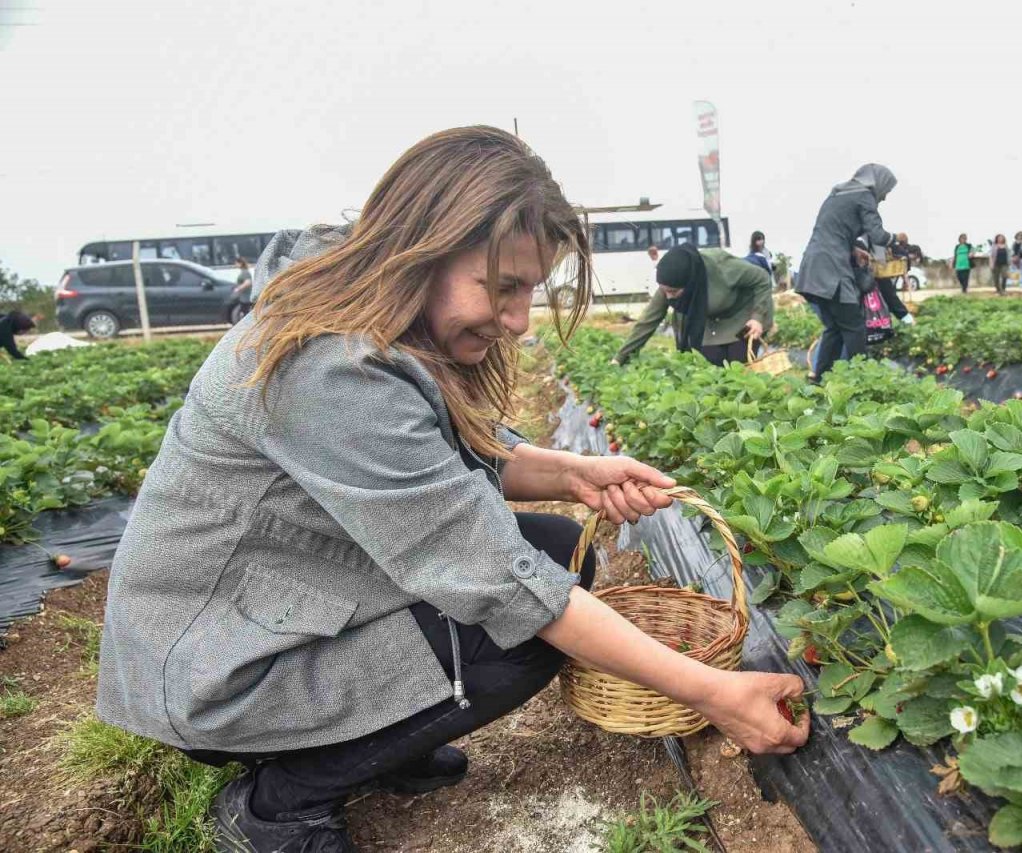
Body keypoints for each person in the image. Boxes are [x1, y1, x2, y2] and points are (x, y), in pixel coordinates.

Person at [94, 127, 807, 853]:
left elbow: (446, 462)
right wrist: (713, 692)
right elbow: (505, 583)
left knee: (557, 553)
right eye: (502, 287)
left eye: (528, 289)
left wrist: (573, 473)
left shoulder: (368, 321)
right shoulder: (327, 367)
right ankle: (280, 802)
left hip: (282, 599)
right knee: (522, 621)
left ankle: (379, 738)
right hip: (218, 667)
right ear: (422, 250)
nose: (521, 320)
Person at [796, 163, 897, 380]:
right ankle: (863, 381)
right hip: (832, 270)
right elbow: (878, 236)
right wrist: (897, 241)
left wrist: (854, 248)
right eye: (886, 191)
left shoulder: (838, 193)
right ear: (878, 183)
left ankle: (819, 381)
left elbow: (832, 230)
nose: (885, 197)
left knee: (834, 329)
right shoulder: (864, 196)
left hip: (813, 266)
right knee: (854, 327)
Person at [614, 244, 772, 367]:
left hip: (743, 316)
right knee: (710, 366)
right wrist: (619, 358)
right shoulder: (670, 285)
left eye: (673, 292)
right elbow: (647, 322)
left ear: (689, 283)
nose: (669, 297)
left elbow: (762, 278)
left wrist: (757, 317)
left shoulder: (723, 268)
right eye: (665, 291)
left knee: (739, 367)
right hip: (712, 324)